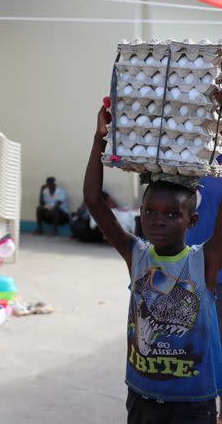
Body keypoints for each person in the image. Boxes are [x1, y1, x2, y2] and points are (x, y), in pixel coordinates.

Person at [84, 99, 222, 423]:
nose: (158, 221)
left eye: (172, 214)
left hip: (193, 403)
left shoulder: (204, 262)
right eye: (150, 212)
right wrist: (98, 140)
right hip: (141, 397)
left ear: (192, 220)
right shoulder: (137, 255)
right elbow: (94, 201)